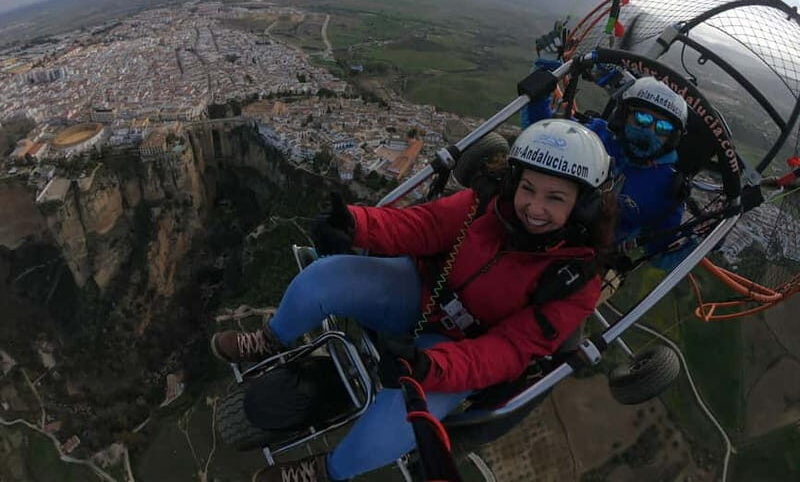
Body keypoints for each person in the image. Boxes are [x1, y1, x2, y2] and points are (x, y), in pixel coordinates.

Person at [210, 119, 617, 482]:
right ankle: (270, 338)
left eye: (555, 198)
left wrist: (430, 366)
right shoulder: (488, 204)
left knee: (396, 426)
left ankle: (324, 472)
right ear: (513, 181)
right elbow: (423, 226)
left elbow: (507, 352)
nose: (534, 207)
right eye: (527, 188)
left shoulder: (575, 281)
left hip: (457, 352)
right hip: (421, 292)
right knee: (324, 275)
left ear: (583, 207)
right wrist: (355, 225)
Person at [522, 72, 690, 272]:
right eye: (642, 118)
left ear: (672, 139)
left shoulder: (668, 189)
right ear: (623, 116)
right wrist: (542, 81)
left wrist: (700, 240)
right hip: (537, 223)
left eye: (663, 127)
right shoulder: (595, 134)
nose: (649, 131)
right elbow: (542, 138)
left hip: (588, 265)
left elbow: (662, 255)